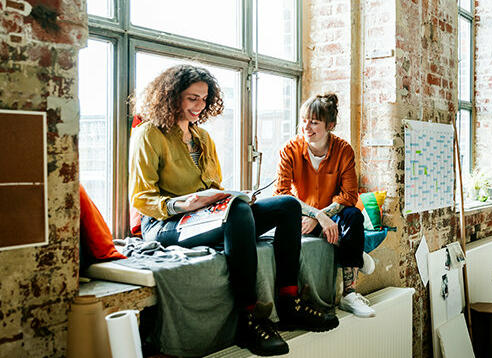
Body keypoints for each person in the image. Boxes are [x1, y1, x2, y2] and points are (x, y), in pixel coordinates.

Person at [129, 65, 338, 356]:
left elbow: (213, 185)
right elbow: (141, 197)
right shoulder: (149, 134)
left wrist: (226, 197)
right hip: (166, 222)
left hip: (202, 216)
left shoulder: (202, 138)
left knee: (287, 205)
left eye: (204, 99)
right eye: (192, 98)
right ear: (172, 96)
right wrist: (182, 204)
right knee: (237, 213)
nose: (199, 106)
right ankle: (248, 318)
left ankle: (290, 303)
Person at [276, 93, 376, 318]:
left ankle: (349, 294)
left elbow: (349, 195)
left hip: (334, 216)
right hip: (303, 215)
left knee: (354, 216)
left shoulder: (344, 150)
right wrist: (314, 215)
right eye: (303, 121)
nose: (306, 127)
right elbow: (281, 194)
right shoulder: (289, 150)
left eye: (314, 122)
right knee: (288, 219)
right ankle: (356, 254)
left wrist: (321, 216)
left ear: (330, 125)